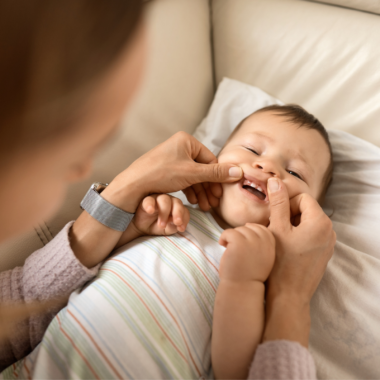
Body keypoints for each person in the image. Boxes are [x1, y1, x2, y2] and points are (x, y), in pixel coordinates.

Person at [0, 0, 336, 378]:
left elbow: (234, 370)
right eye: (253, 149)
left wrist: (246, 282)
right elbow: (63, 291)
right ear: (215, 159)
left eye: (294, 172)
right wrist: (126, 228)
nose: (267, 166)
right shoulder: (172, 214)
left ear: (301, 213)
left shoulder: (261, 266)